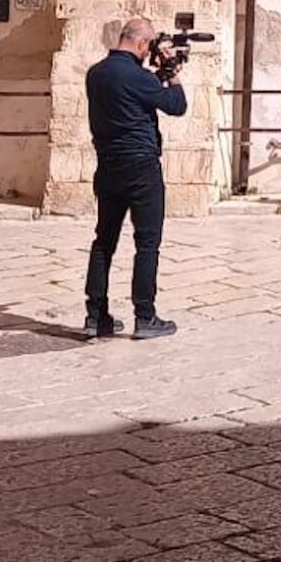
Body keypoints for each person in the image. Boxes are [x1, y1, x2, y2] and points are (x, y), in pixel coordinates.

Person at [82, 17, 188, 340]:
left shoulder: (96, 74)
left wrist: (157, 75)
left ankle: (95, 316)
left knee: (104, 241)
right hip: (141, 168)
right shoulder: (139, 78)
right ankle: (145, 316)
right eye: (149, 46)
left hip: (108, 166)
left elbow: (132, 93)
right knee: (147, 243)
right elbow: (177, 105)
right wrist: (172, 72)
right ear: (142, 44)